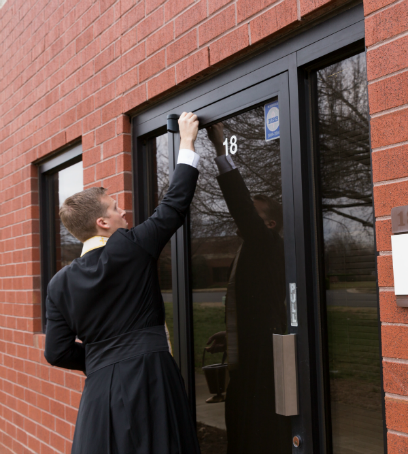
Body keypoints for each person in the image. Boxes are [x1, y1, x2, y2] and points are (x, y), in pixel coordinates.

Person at [44, 112, 202, 454]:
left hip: (100, 395)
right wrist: (187, 142)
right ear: (102, 222)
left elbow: (56, 352)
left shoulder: (58, 284)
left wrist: (103, 357)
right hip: (151, 378)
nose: (124, 214)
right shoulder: (129, 247)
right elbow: (174, 206)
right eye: (116, 208)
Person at [204, 125, 290, 453]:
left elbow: (239, 203)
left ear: (268, 224)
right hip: (251, 347)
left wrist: (220, 150)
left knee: (259, 431)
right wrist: (231, 334)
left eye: (253, 215)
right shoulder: (254, 248)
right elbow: (256, 301)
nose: (243, 218)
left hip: (264, 357)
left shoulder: (267, 242)